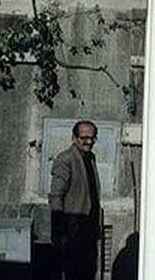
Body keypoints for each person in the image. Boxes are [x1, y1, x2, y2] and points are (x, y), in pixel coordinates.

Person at [50, 120, 101, 280]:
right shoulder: (65, 159)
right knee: (73, 273)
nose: (89, 142)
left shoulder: (90, 157)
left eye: (93, 138)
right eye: (84, 138)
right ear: (74, 138)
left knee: (88, 272)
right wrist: (58, 231)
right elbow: (56, 196)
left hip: (88, 230)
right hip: (72, 231)